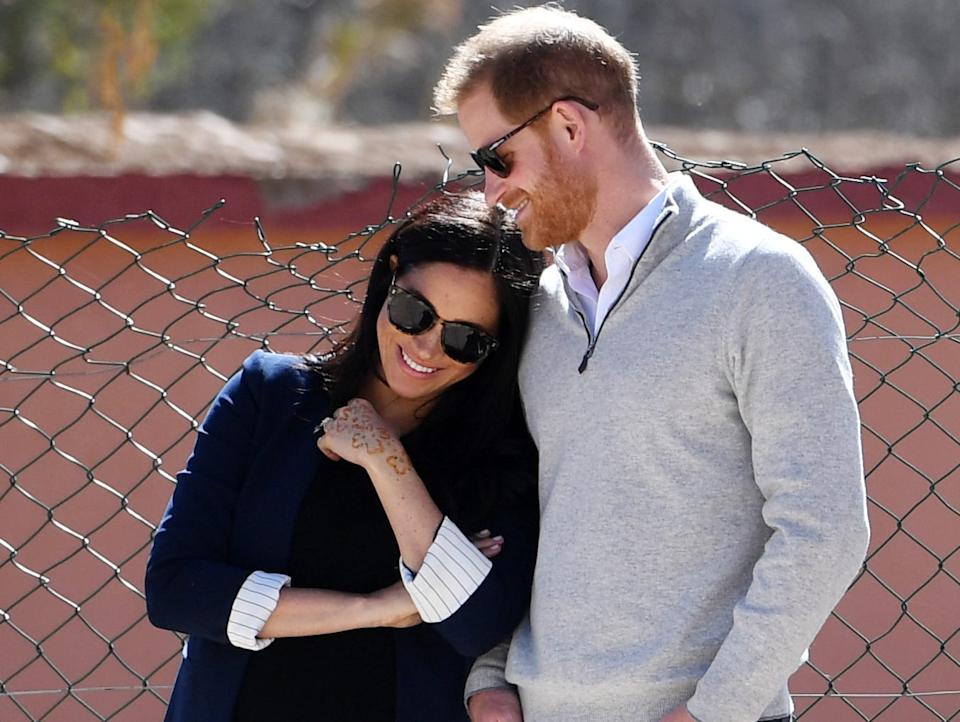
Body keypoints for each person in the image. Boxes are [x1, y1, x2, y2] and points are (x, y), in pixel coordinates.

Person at [433, 5, 870, 722]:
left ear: (569, 126)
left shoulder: (759, 278)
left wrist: (713, 713)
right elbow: (529, 516)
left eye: (497, 159)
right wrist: (490, 676)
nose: (490, 191)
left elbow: (825, 528)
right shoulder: (537, 305)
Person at [145, 191, 544, 722]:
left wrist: (385, 460)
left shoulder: (505, 458)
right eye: (414, 313)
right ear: (390, 275)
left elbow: (475, 622)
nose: (427, 348)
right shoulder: (270, 395)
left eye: (464, 339)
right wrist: (373, 609)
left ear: (495, 349)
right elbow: (176, 589)